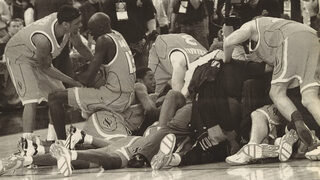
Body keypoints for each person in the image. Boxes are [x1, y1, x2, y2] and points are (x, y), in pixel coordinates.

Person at [5, 5, 93, 148]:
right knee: (31, 99)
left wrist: (97, 62)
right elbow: (45, 68)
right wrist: (73, 81)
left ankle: (53, 140)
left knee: (56, 95)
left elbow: (81, 47)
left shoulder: (69, 27)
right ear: (65, 25)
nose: (81, 25)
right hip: (19, 57)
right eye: (77, 23)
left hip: (37, 57)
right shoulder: (43, 40)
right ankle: (26, 144)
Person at [223, 16, 319, 147]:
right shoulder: (278, 27)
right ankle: (301, 131)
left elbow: (228, 41)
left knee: (276, 93)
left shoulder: (251, 25)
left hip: (291, 40)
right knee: (309, 98)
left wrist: (226, 59)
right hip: (313, 38)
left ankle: (298, 124)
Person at [48, 12, 136, 141]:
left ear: (101, 28)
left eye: (92, 31)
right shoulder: (117, 35)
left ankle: (61, 142)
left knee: (54, 97)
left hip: (114, 97)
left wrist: (73, 77)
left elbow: (88, 79)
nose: (91, 35)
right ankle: (86, 130)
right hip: (127, 95)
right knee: (81, 95)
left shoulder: (103, 40)